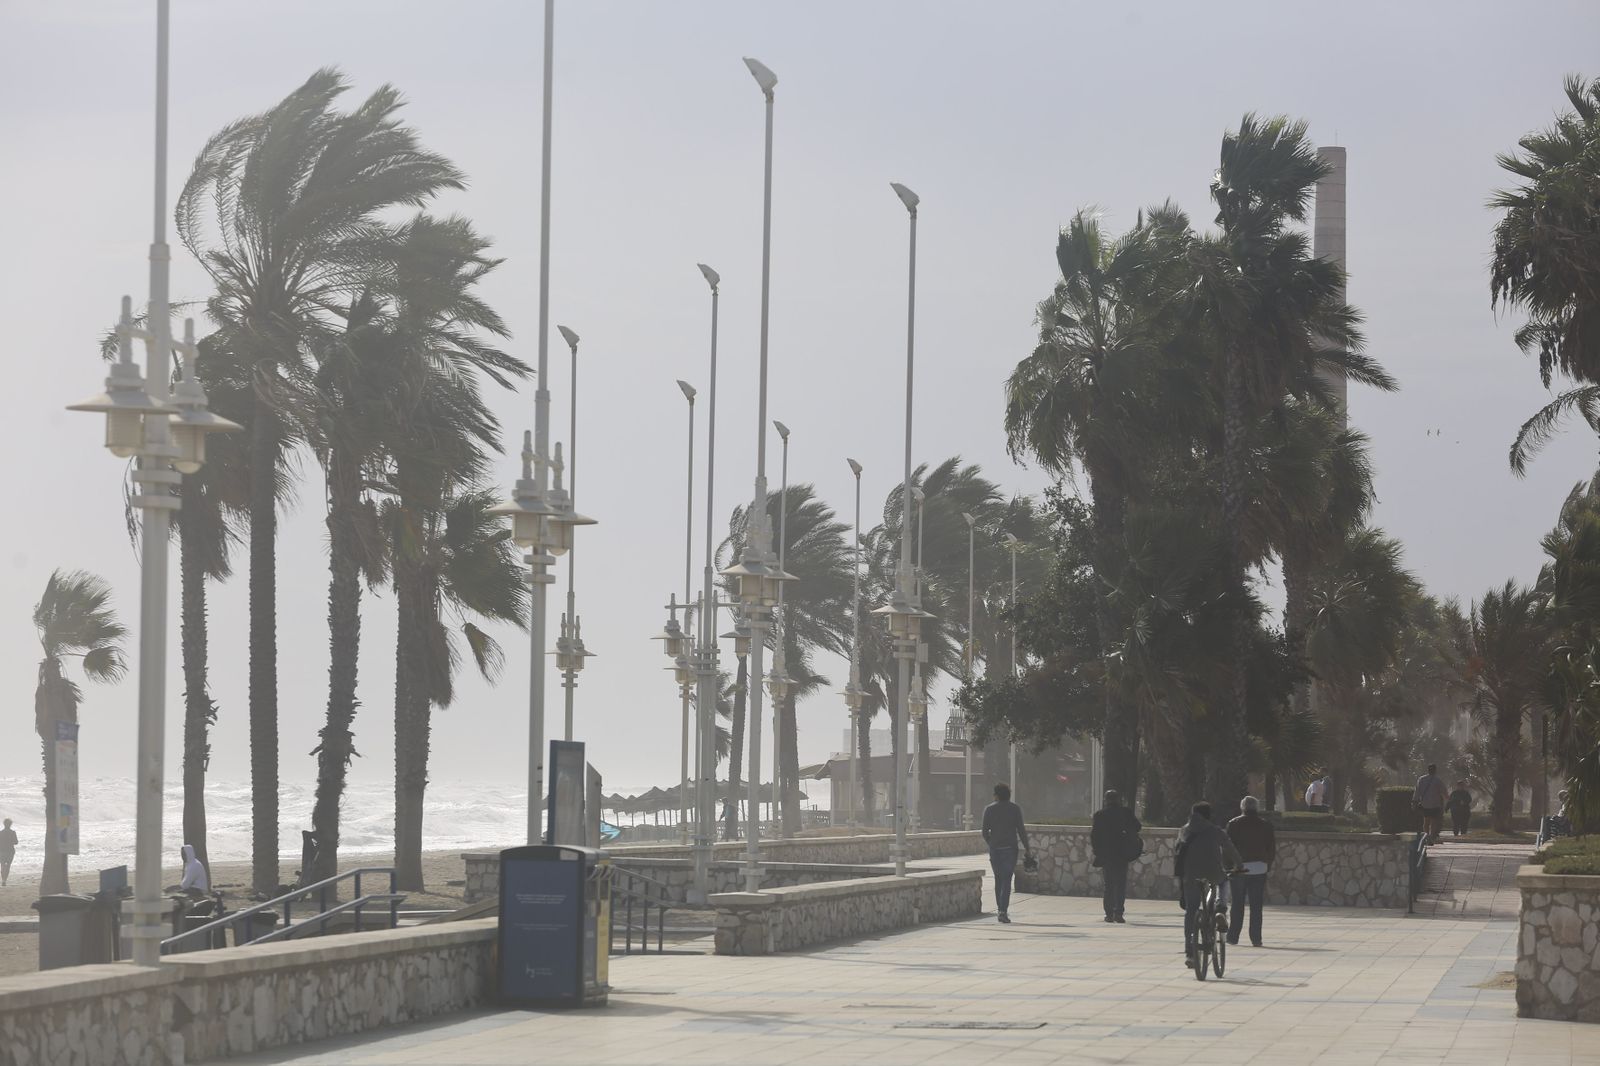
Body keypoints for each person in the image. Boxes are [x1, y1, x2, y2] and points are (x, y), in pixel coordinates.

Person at [1174, 801, 1241, 969]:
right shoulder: (1214, 830)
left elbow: (1177, 851)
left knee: (1191, 910)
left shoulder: (1184, 830)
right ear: (1208, 815)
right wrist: (1239, 865)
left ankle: (1190, 951)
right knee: (1224, 881)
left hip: (1190, 875)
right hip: (1213, 872)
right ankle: (1220, 909)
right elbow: (1229, 847)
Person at [1225, 796, 1275, 947]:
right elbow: (1271, 848)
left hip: (1239, 868)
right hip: (1259, 868)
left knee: (1237, 904)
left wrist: (1228, 866)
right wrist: (1268, 864)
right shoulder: (1266, 825)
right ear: (1256, 808)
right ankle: (1256, 938)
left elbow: (1228, 847)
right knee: (1256, 906)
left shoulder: (1233, 824)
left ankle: (1233, 937)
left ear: (1242, 808)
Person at [981, 783, 1031, 924]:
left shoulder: (989, 810)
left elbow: (984, 833)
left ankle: (1000, 909)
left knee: (998, 878)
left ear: (996, 795)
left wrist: (992, 843)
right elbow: (1021, 830)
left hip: (996, 850)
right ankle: (1003, 910)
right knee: (1007, 879)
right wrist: (1027, 847)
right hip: (1010, 849)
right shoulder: (1015, 809)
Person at [1090, 789, 1142, 924]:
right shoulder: (1125, 813)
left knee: (1109, 885)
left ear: (1106, 800)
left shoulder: (1100, 815)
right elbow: (1137, 826)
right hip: (1122, 854)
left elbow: (1094, 836)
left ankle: (1108, 914)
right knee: (1120, 884)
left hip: (1107, 855)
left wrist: (1097, 851)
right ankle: (1118, 913)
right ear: (1119, 799)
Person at [1413, 764, 1447, 843]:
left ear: (1428, 770)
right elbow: (1444, 791)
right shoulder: (1438, 780)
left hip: (1425, 804)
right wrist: (1447, 799)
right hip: (1435, 804)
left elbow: (1417, 791)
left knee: (1426, 821)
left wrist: (1414, 801)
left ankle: (1426, 836)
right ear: (1435, 770)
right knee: (1433, 822)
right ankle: (1431, 837)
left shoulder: (1421, 779)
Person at [0, 818, 17, 887]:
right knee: (8, 866)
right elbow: (16, 842)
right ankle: (5, 880)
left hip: (2, 851)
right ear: (10, 824)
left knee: (2, 865)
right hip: (10, 851)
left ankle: (3, 880)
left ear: (4, 824)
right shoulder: (13, 832)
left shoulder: (1, 832)